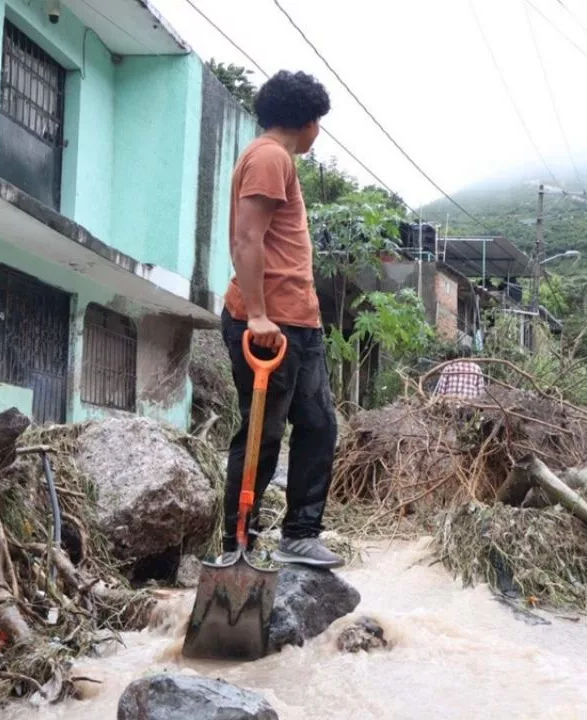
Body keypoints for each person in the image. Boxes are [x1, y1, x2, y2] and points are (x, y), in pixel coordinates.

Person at [219, 70, 342, 568]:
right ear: (309, 121)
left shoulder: (276, 159)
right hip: (270, 326)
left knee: (318, 425)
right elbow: (247, 239)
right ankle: (237, 545)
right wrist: (259, 316)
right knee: (262, 435)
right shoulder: (270, 157)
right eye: (320, 124)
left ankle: (299, 533)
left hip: (298, 323)